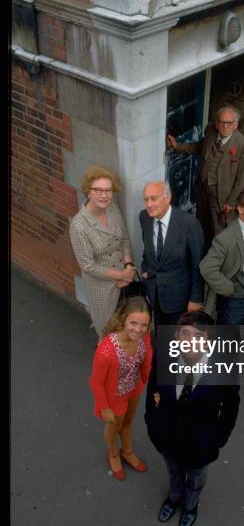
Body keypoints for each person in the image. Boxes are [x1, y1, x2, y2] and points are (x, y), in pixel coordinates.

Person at [145, 311, 240, 526]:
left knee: (196, 479)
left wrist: (219, 440)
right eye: (185, 333)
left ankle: (190, 507)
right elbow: (153, 387)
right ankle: (174, 498)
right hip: (166, 435)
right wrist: (151, 419)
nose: (190, 341)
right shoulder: (164, 355)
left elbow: (231, 407)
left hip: (200, 442)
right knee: (174, 472)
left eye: (199, 335)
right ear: (177, 335)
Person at [167, 107, 244, 243]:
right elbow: (197, 147)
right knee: (202, 222)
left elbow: (243, 180)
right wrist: (177, 146)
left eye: (229, 123)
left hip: (222, 197)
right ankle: (201, 250)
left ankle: (216, 259)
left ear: (235, 125)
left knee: (218, 229)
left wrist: (231, 203)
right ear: (217, 123)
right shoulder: (211, 132)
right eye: (222, 122)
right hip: (203, 188)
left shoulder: (243, 146)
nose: (225, 126)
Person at [89, 296, 153, 480]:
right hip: (114, 397)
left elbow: (147, 362)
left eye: (144, 325)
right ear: (123, 318)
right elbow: (96, 382)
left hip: (134, 389)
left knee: (128, 422)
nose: (139, 330)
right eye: (133, 323)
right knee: (114, 426)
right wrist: (104, 407)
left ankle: (127, 451)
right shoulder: (106, 350)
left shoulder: (144, 336)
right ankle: (113, 453)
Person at [69, 165, 136, 339]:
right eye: (98, 190)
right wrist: (122, 275)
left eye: (108, 190)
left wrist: (128, 265)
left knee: (128, 324)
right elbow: (88, 266)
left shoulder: (112, 208)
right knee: (108, 332)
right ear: (88, 192)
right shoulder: (79, 226)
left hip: (125, 277)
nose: (104, 195)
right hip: (102, 286)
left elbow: (124, 239)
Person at [199, 187, 244, 325]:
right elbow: (206, 268)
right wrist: (229, 289)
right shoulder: (225, 238)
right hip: (235, 305)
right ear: (240, 208)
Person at [139, 180, 205, 329]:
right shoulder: (144, 217)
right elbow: (147, 249)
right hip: (154, 294)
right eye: (146, 199)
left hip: (180, 300)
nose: (149, 204)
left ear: (167, 198)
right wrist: (145, 269)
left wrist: (196, 299)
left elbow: (198, 266)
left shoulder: (189, 224)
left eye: (154, 198)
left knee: (178, 340)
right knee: (161, 336)